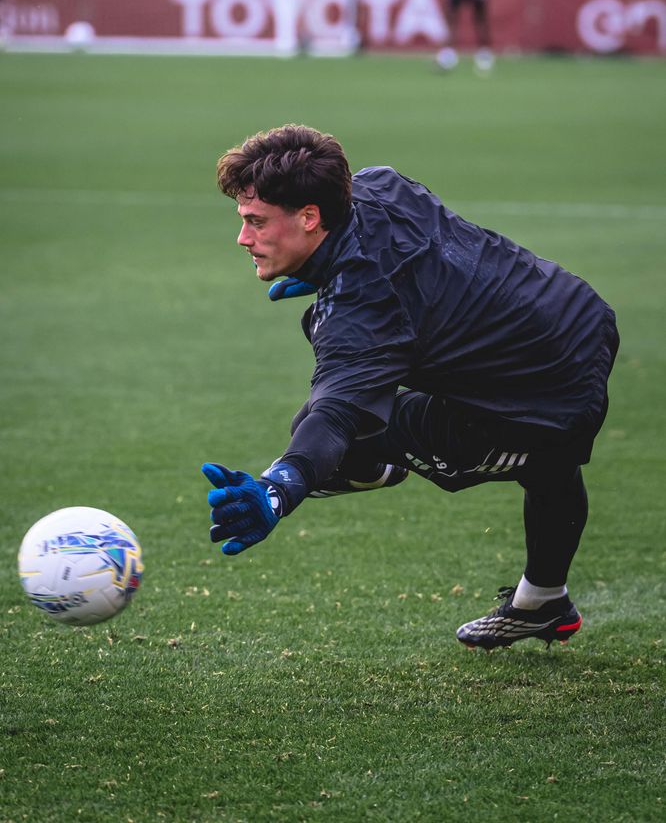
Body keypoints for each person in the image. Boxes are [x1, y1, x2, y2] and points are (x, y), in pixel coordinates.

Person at [203, 125, 619, 651]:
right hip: (577, 315)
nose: (244, 238)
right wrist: (322, 266)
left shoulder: (360, 314)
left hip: (544, 394)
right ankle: (542, 602)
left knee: (340, 432)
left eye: (257, 222)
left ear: (310, 217)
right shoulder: (378, 185)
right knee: (550, 461)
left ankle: (373, 467)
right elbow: (403, 251)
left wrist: (278, 489)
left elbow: (332, 415)